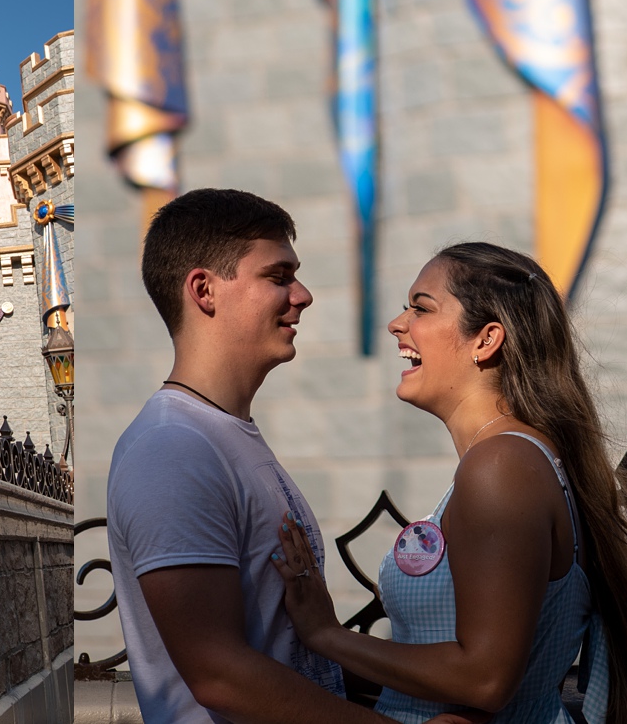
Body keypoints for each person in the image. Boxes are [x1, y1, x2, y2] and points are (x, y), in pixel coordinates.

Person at [106, 188, 476, 724]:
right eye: (278, 277)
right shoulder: (172, 448)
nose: (301, 295)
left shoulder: (220, 434)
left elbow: (282, 652)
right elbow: (219, 672)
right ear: (204, 290)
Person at [272, 242, 627, 723]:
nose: (398, 324)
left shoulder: (501, 466)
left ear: (486, 340)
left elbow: (485, 679)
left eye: (421, 308)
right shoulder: (512, 460)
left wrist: (326, 635)